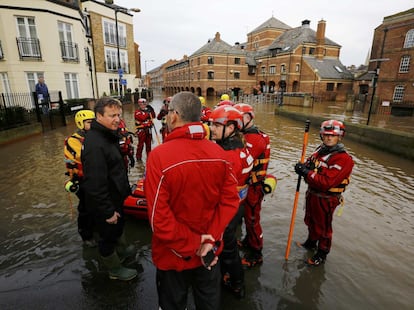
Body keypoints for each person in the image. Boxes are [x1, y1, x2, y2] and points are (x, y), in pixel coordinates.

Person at [144, 91, 240, 309]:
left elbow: (158, 219)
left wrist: (194, 243)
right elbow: (230, 202)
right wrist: (209, 240)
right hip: (209, 253)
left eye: (169, 113)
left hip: (173, 256)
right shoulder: (220, 153)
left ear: (175, 115)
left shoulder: (159, 157)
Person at [81, 97, 137, 281]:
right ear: (99, 115)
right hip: (107, 202)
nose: (117, 119)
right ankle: (114, 269)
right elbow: (94, 183)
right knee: (107, 236)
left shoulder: (107, 135)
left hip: (115, 196)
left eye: (119, 115)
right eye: (112, 115)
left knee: (117, 228)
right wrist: (107, 211)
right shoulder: (95, 144)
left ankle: (121, 250)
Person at [294, 120, 354, 266]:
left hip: (327, 198)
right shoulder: (320, 150)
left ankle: (322, 253)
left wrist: (306, 172)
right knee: (310, 220)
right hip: (312, 194)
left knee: (324, 227)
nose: (328, 138)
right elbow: (310, 163)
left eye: (332, 136)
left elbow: (327, 182)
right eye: (326, 135)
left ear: (340, 137)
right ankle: (311, 243)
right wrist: (302, 167)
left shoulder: (343, 159)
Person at [209, 105, 254, 299]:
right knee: (229, 245)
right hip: (239, 205)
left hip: (227, 209)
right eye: (211, 124)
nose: (211, 128)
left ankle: (236, 284)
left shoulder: (226, 156)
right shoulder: (242, 148)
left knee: (227, 249)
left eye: (217, 125)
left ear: (231, 128)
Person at [233, 103, 270, 268]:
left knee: (253, 219)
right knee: (248, 217)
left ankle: (257, 253)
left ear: (250, 118)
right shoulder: (246, 135)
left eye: (242, 118)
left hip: (254, 186)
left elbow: (242, 163)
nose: (239, 122)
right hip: (248, 186)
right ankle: (248, 241)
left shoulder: (254, 138)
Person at [64, 110, 96, 247]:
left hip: (94, 177)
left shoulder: (94, 136)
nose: (92, 125)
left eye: (93, 122)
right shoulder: (73, 140)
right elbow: (83, 156)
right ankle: (86, 236)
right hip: (81, 180)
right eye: (89, 122)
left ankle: (96, 229)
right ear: (80, 123)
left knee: (95, 206)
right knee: (85, 208)